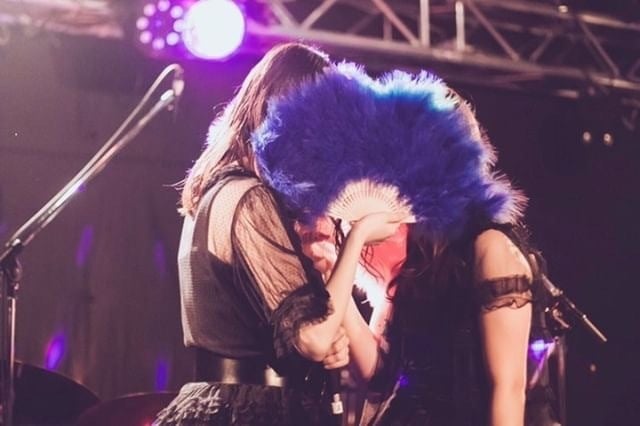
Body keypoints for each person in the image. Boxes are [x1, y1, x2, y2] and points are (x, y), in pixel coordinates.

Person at [153, 42, 405, 425]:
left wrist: (325, 341)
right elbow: (313, 340)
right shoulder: (250, 199)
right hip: (255, 410)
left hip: (223, 403)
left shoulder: (217, 193)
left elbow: (283, 331)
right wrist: (358, 237)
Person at [298, 104, 560, 425]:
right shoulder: (420, 258)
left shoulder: (492, 248)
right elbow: (380, 373)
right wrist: (338, 262)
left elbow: (507, 390)